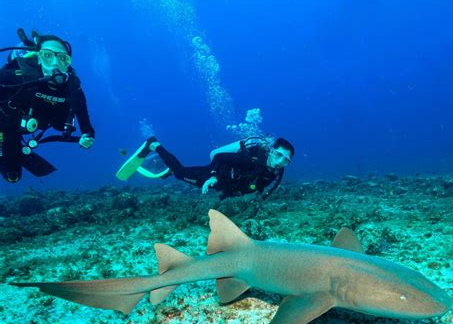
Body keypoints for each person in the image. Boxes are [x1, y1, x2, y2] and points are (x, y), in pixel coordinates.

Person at [0, 29, 95, 183]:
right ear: (38, 58)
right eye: (48, 56)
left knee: (12, 174)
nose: (56, 63)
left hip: (33, 123)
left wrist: (88, 135)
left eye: (63, 59)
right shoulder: (19, 77)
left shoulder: (73, 88)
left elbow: (84, 118)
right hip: (7, 125)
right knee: (12, 173)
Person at [116, 135, 295, 200]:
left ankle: (166, 168)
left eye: (286, 159)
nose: (280, 161)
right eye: (279, 155)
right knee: (179, 173)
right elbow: (218, 157)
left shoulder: (276, 171)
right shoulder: (251, 159)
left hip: (224, 186)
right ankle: (154, 144)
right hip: (216, 176)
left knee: (179, 173)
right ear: (271, 150)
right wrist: (213, 176)